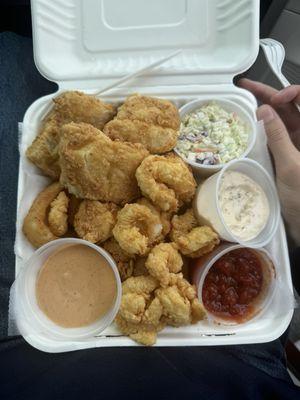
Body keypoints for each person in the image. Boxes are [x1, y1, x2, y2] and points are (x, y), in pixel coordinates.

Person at [0, 32, 300, 400]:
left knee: (9, 52)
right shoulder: (141, 198)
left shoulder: (155, 227)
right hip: (249, 365)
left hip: (31, 367)